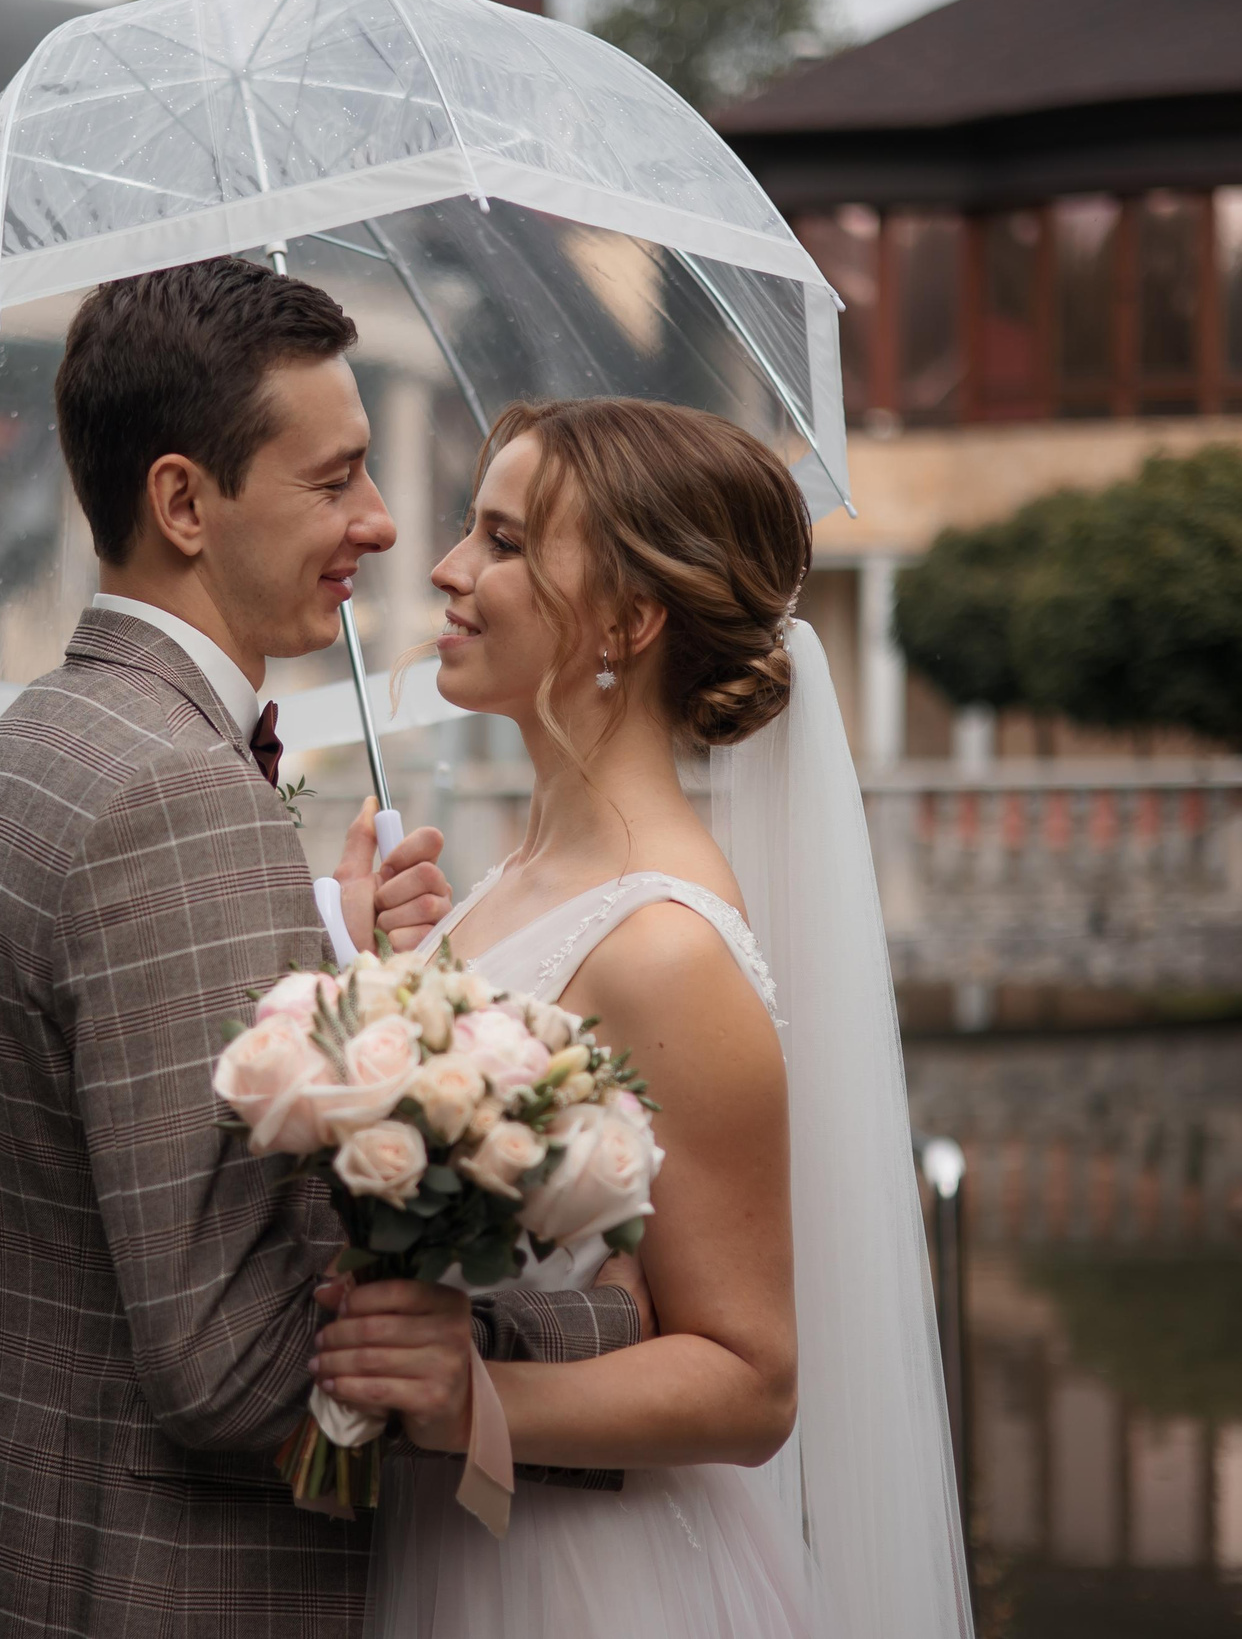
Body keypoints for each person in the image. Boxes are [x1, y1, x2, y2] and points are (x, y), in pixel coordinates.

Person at [0, 261, 648, 1639]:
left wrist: (331, 955)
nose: (381, 524)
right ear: (185, 501)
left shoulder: (35, 743)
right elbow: (235, 1361)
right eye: (335, 482)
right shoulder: (178, 798)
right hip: (171, 1587)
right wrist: (592, 1327)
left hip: (25, 1563)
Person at [318, 398, 974, 1639]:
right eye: (473, 528)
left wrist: (469, 1397)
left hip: (576, 1579)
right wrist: (372, 971)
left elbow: (750, 1380)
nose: (448, 569)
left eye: (506, 543)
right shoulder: (504, 885)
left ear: (627, 619)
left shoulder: (664, 945)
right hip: (445, 1544)